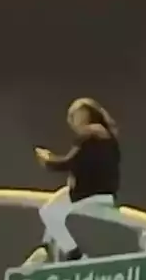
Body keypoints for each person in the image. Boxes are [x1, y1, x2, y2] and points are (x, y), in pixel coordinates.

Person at [26, 97, 121, 264]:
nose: (71, 121)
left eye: (74, 115)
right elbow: (89, 164)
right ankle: (45, 246)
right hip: (106, 196)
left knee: (48, 213)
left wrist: (47, 160)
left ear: (86, 113)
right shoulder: (110, 138)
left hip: (87, 195)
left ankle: (74, 255)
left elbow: (68, 163)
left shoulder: (88, 134)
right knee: (54, 206)